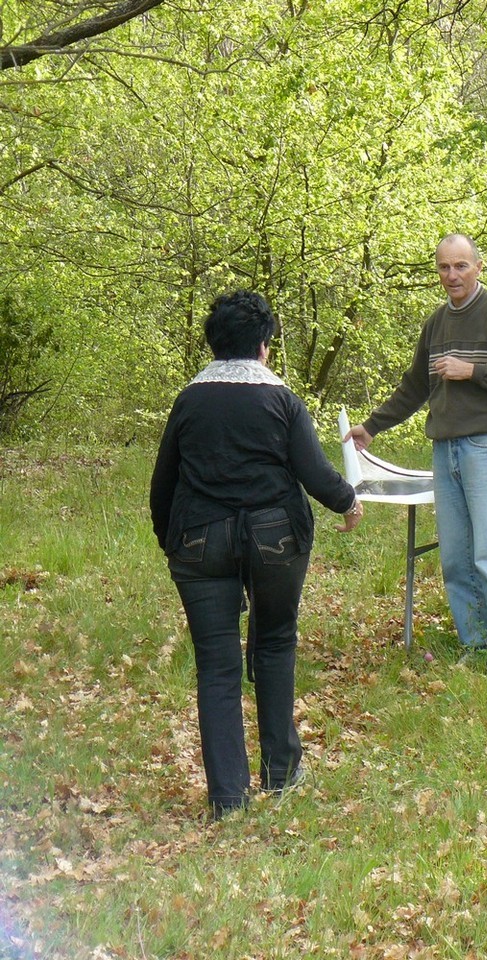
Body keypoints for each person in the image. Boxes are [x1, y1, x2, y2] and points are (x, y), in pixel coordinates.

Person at [150, 290, 363, 820]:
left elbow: (163, 483)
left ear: (214, 343)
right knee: (274, 642)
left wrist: (170, 540)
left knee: (216, 664)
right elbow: (313, 471)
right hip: (276, 538)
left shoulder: (189, 401)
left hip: (200, 540)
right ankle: (281, 772)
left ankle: (228, 798)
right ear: (264, 344)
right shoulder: (281, 400)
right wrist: (347, 501)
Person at [343, 234, 487, 670]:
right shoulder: (436, 323)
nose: (452, 275)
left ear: (478, 267)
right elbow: (415, 386)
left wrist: (472, 371)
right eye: (444, 267)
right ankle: (478, 645)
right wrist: (371, 427)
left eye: (461, 266)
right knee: (455, 556)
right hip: (444, 448)